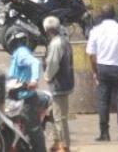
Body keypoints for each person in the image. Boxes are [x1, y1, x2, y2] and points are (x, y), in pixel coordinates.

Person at [86, 4, 118, 142]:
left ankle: (104, 133)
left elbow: (91, 54)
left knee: (103, 101)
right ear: (115, 15)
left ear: (101, 16)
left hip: (103, 68)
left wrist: (95, 71)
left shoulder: (95, 31)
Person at [6, 30, 46, 152]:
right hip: (17, 95)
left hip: (25, 98)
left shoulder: (21, 52)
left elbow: (35, 62)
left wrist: (34, 80)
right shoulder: (19, 53)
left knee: (33, 128)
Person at [44, 16, 74, 152]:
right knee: (52, 115)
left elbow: (52, 64)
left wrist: (47, 76)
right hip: (65, 82)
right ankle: (57, 142)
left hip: (59, 85)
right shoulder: (64, 41)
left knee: (59, 117)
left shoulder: (56, 44)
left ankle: (64, 146)